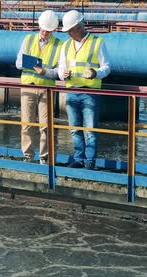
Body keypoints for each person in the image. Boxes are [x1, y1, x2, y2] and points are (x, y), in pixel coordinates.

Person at [58, 10, 111, 170]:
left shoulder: (97, 42)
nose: (68, 34)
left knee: (90, 131)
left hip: (90, 92)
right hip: (72, 91)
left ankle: (89, 162)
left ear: (78, 27)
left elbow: (107, 67)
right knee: (75, 130)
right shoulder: (66, 45)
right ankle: (79, 159)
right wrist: (62, 74)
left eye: (70, 31)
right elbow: (61, 68)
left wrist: (96, 73)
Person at [15, 10, 62, 165]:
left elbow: (59, 71)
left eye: (48, 31)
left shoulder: (59, 45)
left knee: (45, 125)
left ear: (54, 30)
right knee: (27, 123)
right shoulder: (28, 40)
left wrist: (45, 72)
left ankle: (45, 156)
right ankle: (28, 154)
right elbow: (18, 63)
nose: (44, 33)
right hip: (28, 86)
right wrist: (33, 65)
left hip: (46, 88)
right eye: (42, 30)